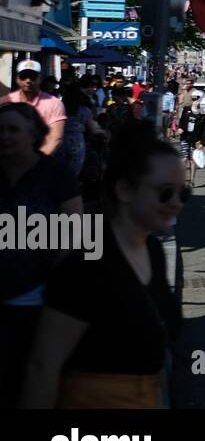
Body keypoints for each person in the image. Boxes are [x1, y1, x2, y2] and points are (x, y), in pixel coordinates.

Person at [22, 121, 186, 408]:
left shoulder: (153, 251)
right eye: (164, 193)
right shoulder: (87, 265)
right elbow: (43, 366)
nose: (176, 203)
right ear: (124, 190)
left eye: (182, 193)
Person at [0, 101, 82, 407]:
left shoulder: (54, 174)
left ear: (33, 134)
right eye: (1, 130)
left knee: (28, 375)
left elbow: (74, 230)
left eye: (13, 130)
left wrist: (58, 284)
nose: (5, 137)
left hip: (36, 297)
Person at [5, 60, 67, 157]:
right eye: (23, 77)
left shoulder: (54, 103)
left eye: (32, 77)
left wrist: (36, 162)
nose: (28, 80)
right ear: (17, 79)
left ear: (39, 79)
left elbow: (55, 138)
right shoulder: (6, 102)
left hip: (40, 160)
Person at [58, 82, 100, 181]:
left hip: (59, 141)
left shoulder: (58, 109)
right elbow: (93, 129)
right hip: (77, 142)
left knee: (58, 173)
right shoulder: (84, 110)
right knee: (73, 174)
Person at [178, 96, 205, 188]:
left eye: (198, 100)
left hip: (195, 139)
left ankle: (192, 180)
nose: (195, 102)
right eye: (194, 99)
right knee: (184, 159)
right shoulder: (186, 109)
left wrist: (203, 142)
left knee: (193, 160)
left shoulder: (203, 113)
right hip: (185, 137)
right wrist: (180, 128)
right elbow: (182, 121)